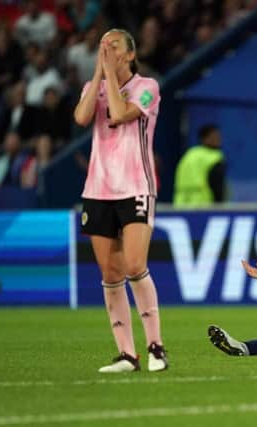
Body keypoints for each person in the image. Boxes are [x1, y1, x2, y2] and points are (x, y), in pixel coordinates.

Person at [73, 28, 168, 373]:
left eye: (114, 46)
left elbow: (119, 112)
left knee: (133, 265)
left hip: (135, 187)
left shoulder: (148, 89)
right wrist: (99, 73)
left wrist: (110, 76)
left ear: (130, 54)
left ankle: (156, 346)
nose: (107, 50)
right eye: (102, 46)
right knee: (110, 274)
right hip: (97, 190)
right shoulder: (92, 88)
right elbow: (82, 118)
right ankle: (128, 355)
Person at [173, 124, 227, 207]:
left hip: (180, 204)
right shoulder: (215, 157)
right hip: (203, 206)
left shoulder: (189, 154)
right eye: (215, 136)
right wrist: (220, 206)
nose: (218, 139)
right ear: (204, 138)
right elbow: (217, 185)